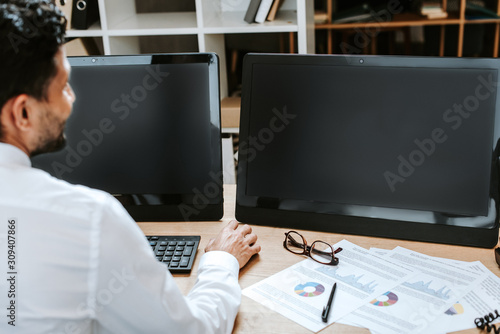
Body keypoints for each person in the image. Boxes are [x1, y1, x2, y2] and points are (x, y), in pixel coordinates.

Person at [0, 1, 261, 333]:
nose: (73, 98)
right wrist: (221, 261)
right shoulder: (89, 220)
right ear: (22, 114)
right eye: (63, 87)